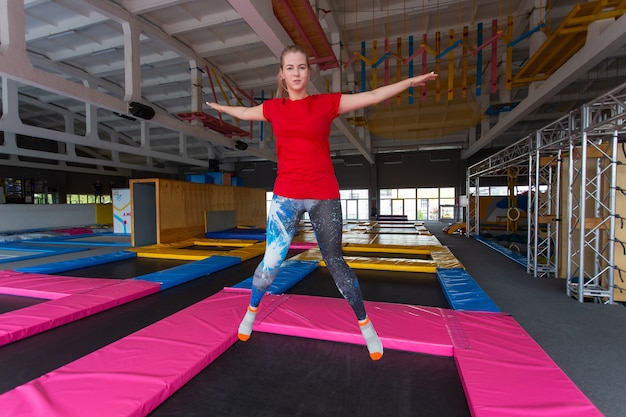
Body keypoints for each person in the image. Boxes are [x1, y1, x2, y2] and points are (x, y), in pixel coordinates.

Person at [206, 44, 437, 361]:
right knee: (270, 264)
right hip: (285, 195)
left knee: (335, 261)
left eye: (301, 67)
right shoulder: (275, 108)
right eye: (290, 68)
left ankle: (366, 326)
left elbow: (370, 96)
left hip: (323, 195)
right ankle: (251, 310)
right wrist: (221, 109)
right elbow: (246, 113)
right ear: (282, 74)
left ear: (308, 72)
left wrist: (408, 83)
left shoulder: (325, 103)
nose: (296, 73)